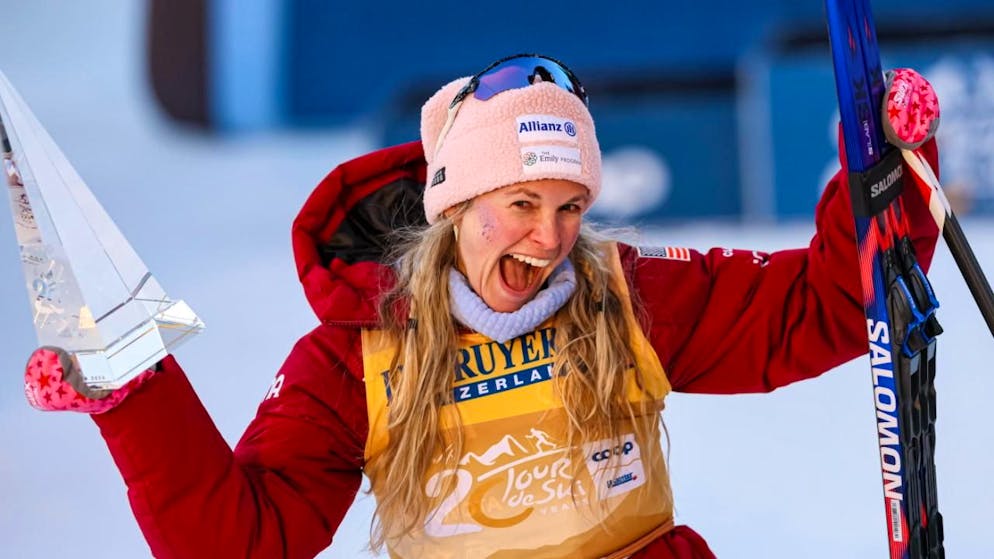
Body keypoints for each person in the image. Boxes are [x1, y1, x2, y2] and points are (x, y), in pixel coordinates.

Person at [23, 54, 942, 558]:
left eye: (570, 207)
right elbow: (241, 544)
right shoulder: (358, 352)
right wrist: (135, 398)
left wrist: (889, 169)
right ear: (453, 204)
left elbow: (822, 308)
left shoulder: (623, 296)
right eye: (522, 206)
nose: (549, 240)